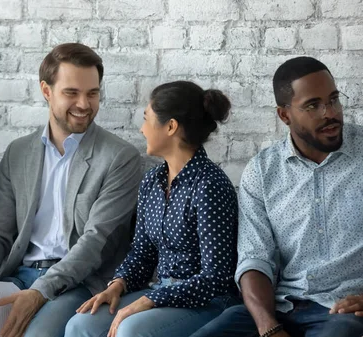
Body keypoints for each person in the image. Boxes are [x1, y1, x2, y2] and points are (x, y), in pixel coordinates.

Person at [0, 42, 143, 337]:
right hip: (19, 275)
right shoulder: (20, 152)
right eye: (72, 92)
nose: (84, 104)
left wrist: (41, 291)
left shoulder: (120, 158)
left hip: (81, 282)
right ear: (46, 91)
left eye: (92, 93)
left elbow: (96, 243)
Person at [191, 57, 363, 337]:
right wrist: (268, 327)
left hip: (342, 312)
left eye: (333, 100)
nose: (329, 113)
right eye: (313, 105)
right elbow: (254, 259)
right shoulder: (262, 171)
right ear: (284, 115)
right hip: (281, 307)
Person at [65, 81, 239, 337]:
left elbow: (217, 277)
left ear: (170, 126)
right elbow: (142, 254)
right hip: (159, 292)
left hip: (207, 301)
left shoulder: (210, 185)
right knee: (80, 325)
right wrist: (118, 285)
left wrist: (152, 300)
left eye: (147, 119)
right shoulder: (151, 181)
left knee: (131, 330)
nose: (142, 129)